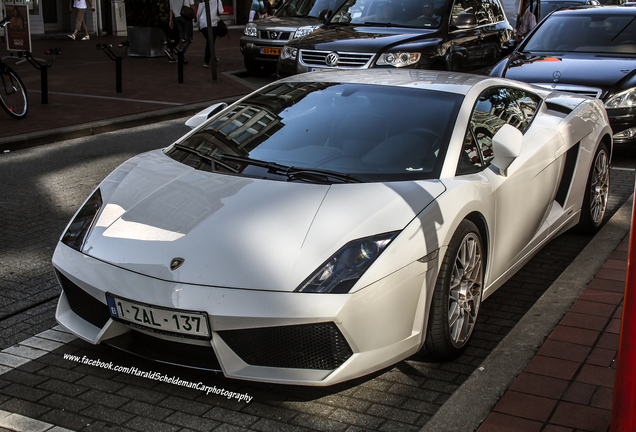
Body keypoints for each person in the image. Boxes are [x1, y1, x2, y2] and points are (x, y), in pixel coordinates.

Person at [197, 0, 225, 68]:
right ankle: (206, 61)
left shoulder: (203, 1)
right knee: (210, 42)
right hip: (213, 23)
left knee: (210, 41)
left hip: (203, 23)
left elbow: (198, 14)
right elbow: (221, 11)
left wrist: (198, 25)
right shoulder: (218, 1)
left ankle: (213, 57)